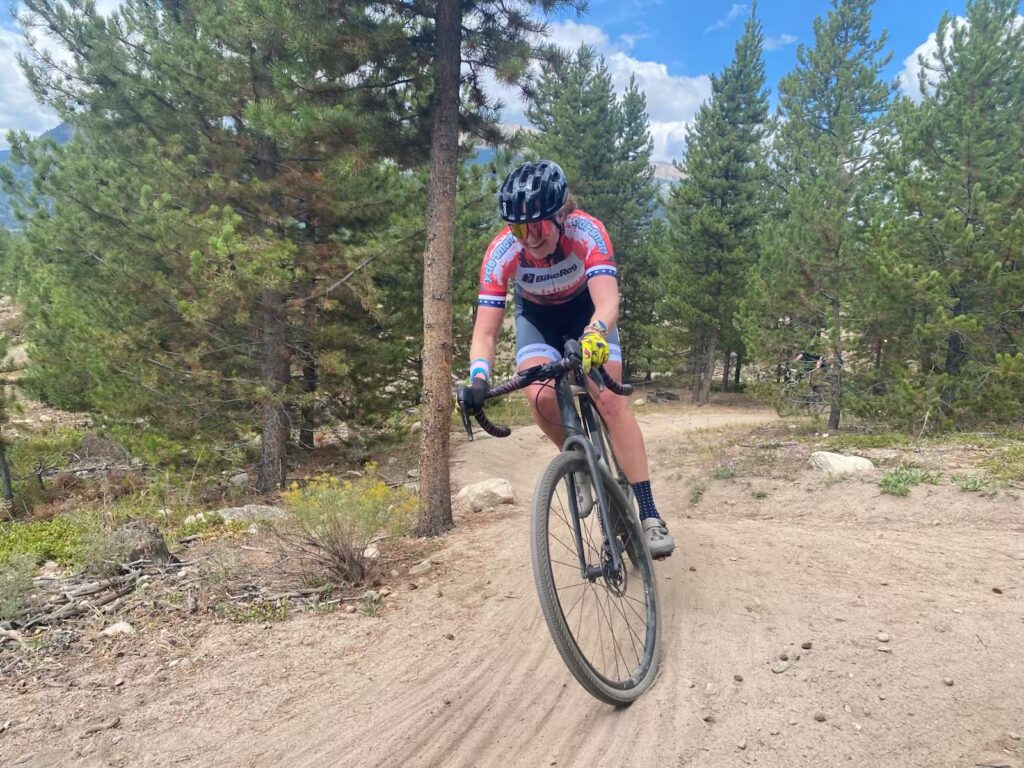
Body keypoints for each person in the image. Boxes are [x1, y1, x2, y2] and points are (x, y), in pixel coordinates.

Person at [461, 160, 675, 559]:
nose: (529, 238)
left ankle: (648, 512)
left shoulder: (586, 231)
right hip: (538, 319)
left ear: (561, 214)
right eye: (518, 229)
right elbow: (486, 332)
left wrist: (594, 335)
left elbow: (608, 301)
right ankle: (577, 462)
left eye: (538, 226)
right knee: (539, 396)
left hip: (586, 312)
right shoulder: (502, 253)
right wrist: (477, 378)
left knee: (610, 400)